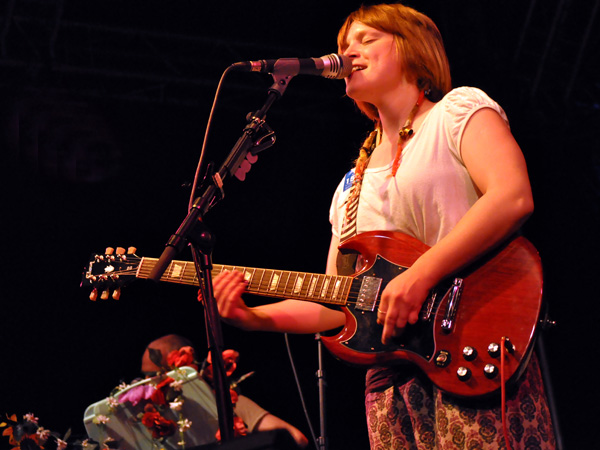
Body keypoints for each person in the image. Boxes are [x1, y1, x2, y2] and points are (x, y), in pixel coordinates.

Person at [211, 3, 556, 449]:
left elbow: (512, 196)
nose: (349, 51)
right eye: (343, 45)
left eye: (367, 39)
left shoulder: (456, 112)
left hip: (474, 349)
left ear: (413, 48)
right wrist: (254, 318)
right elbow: (341, 300)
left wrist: (420, 275)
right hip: (392, 385)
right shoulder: (349, 188)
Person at [140, 334, 308, 448]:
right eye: (146, 378)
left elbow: (296, 438)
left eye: (155, 375)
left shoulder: (229, 404)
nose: (150, 384)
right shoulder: (156, 424)